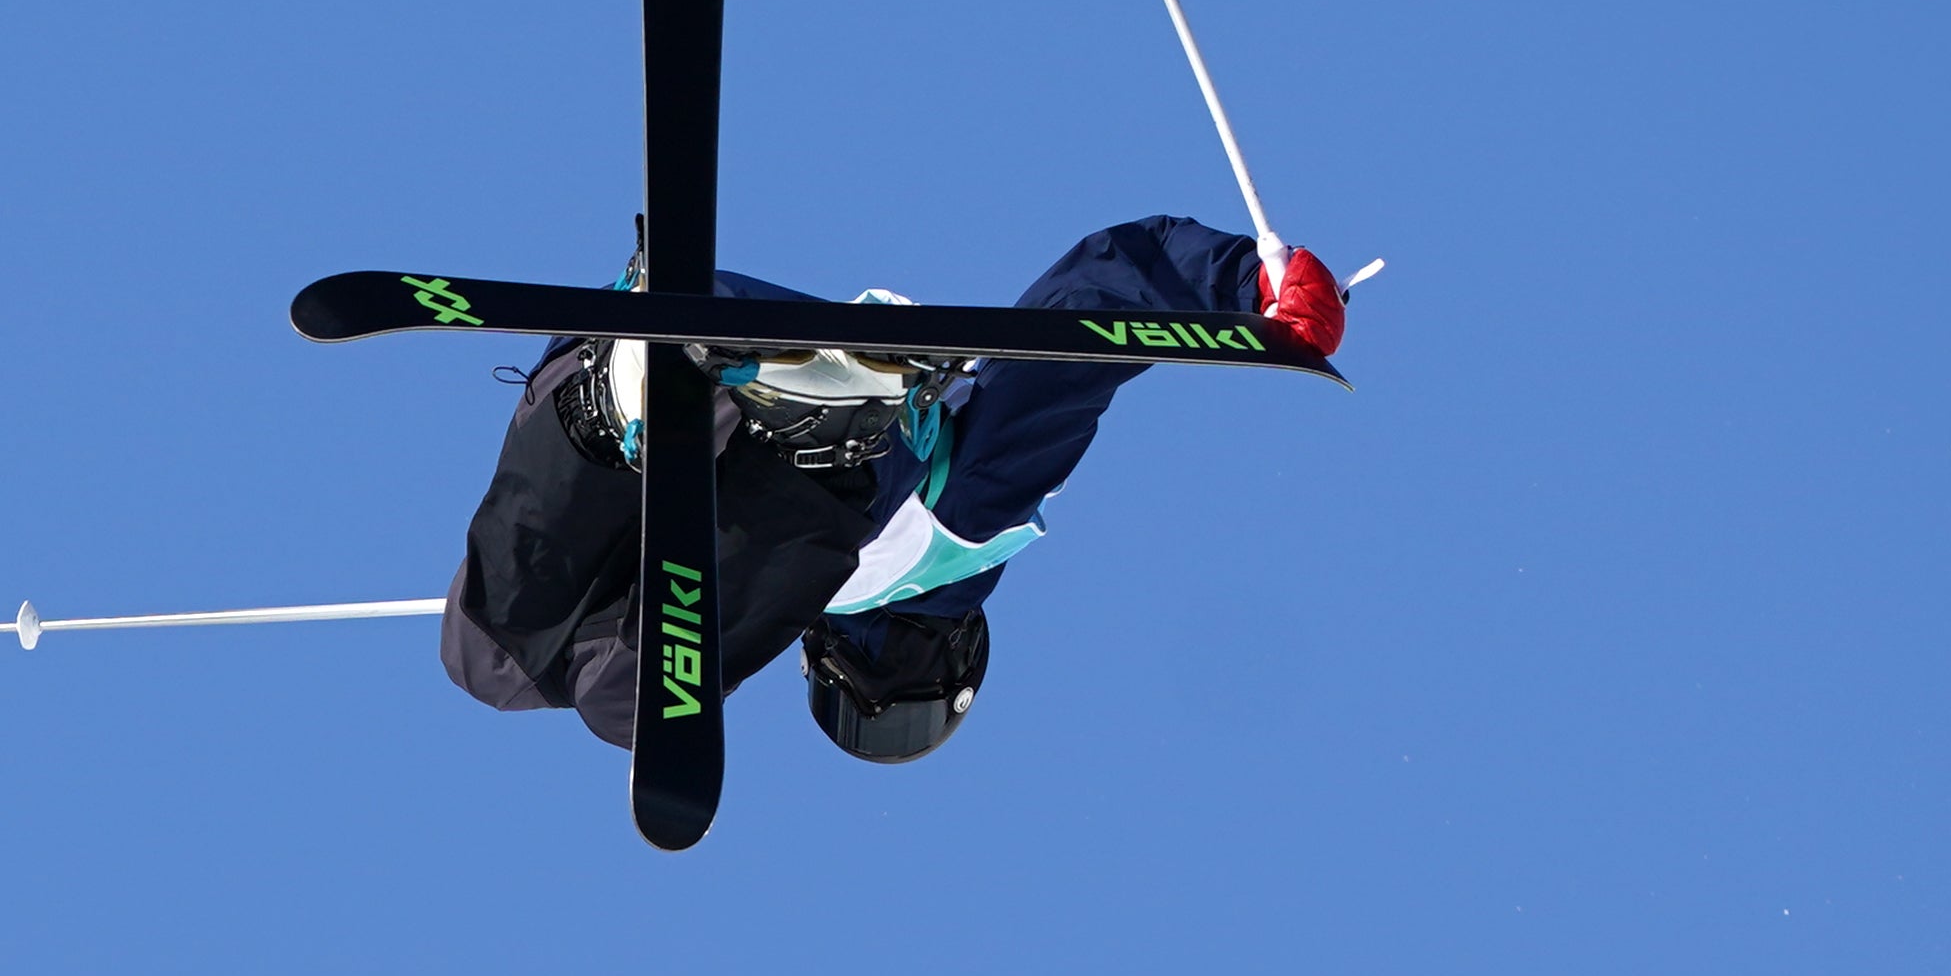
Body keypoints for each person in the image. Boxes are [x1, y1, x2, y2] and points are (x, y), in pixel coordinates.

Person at [438, 216, 1350, 764]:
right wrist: (1243, 285)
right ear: (951, 659)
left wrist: (1237, 284)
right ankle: (796, 408)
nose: (867, 685)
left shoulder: (800, 603)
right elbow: (1068, 354)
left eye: (851, 702)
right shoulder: (954, 549)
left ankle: (616, 402)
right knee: (579, 688)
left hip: (665, 384)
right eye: (896, 707)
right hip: (809, 431)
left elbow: (1072, 328)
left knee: (506, 665)